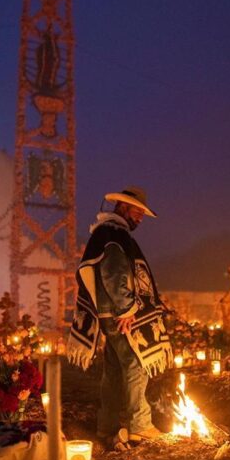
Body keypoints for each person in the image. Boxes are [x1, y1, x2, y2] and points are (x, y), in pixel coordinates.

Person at [66, 186, 172, 443]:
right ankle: (139, 425)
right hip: (120, 314)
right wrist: (127, 308)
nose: (141, 217)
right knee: (136, 363)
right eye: (138, 212)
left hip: (109, 313)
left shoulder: (109, 233)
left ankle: (107, 426)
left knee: (113, 371)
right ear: (123, 207)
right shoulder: (113, 234)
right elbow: (113, 274)